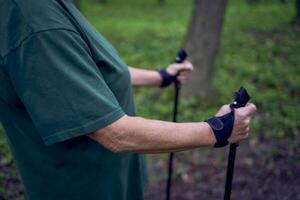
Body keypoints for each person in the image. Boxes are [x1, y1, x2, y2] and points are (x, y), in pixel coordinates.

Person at [0, 0, 256, 199]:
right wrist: (218, 130)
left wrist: (161, 77)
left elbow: (87, 73)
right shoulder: (35, 21)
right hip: (84, 187)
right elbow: (114, 134)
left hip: (108, 179)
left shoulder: (49, 9)